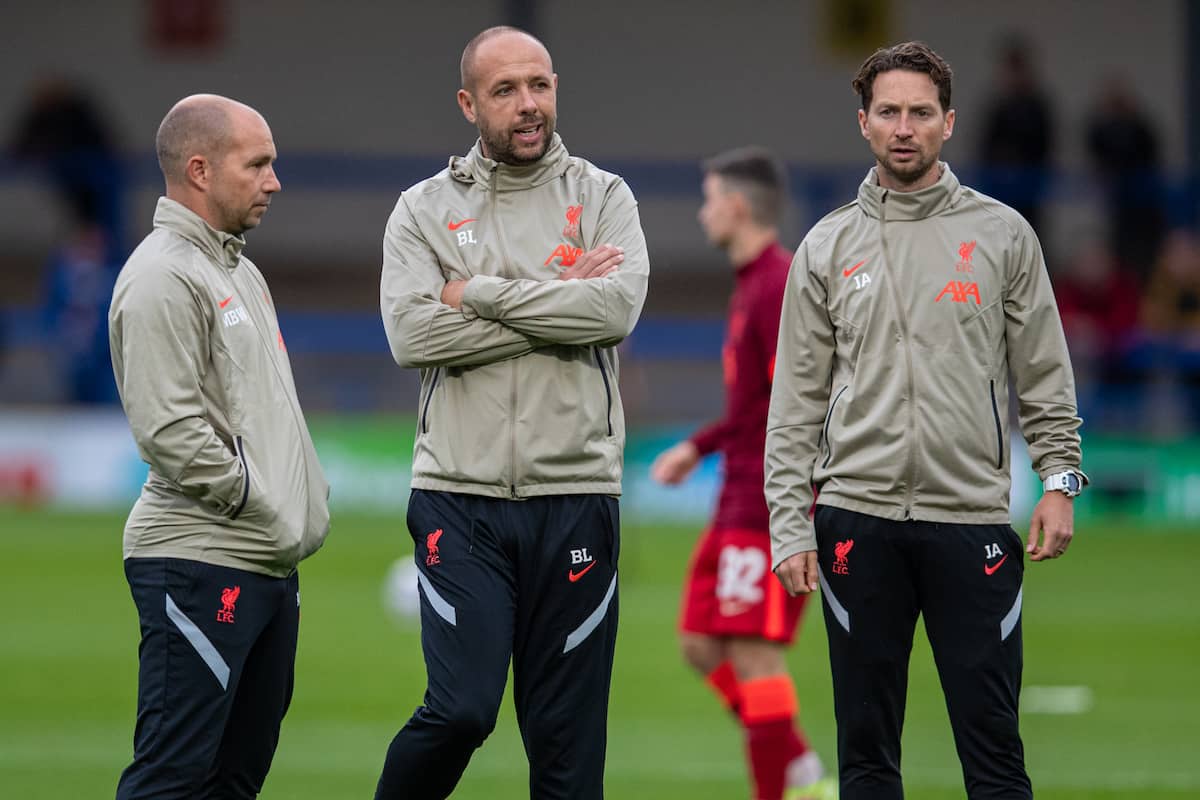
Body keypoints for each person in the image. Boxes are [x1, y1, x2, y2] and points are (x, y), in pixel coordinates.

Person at [764, 42, 1087, 800]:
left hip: (970, 520)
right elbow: (795, 407)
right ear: (864, 124)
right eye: (888, 112)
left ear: (948, 122)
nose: (903, 127)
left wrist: (1061, 481)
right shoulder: (826, 245)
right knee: (868, 759)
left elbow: (1045, 373)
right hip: (856, 522)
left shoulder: (1005, 234)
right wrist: (789, 524)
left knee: (996, 756)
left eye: (919, 112)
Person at [376, 26, 649, 800]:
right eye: (505, 90)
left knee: (568, 749)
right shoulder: (423, 209)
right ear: (469, 103)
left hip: (577, 498)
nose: (528, 105)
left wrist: (483, 291)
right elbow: (412, 332)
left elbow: (616, 310)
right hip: (458, 497)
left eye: (540, 85)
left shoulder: (604, 196)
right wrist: (564, 297)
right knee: (462, 711)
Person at [108, 94, 331, 799]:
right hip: (200, 559)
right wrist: (256, 501)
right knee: (172, 780)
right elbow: (169, 430)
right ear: (200, 170)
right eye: (258, 163)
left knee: (233, 782)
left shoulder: (238, 269)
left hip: (265, 560)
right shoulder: (160, 277)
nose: (275, 180)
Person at [650, 147, 834, 800]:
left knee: (755, 657)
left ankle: (780, 788)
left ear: (734, 205)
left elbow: (795, 406)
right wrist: (697, 447)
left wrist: (795, 496)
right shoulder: (754, 282)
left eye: (707, 199)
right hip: (737, 494)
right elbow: (756, 404)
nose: (702, 212)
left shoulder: (780, 285)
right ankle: (798, 764)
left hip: (765, 503)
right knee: (701, 644)